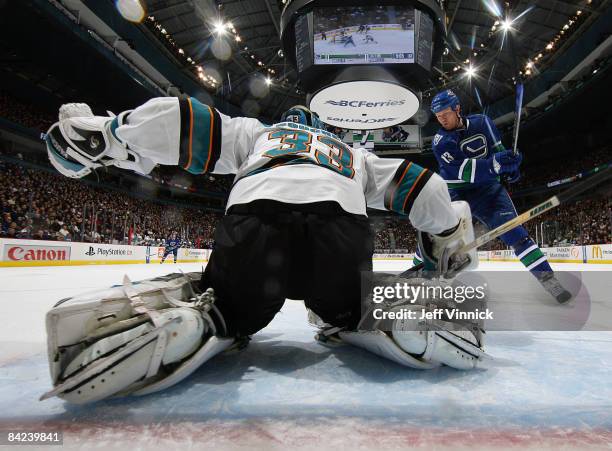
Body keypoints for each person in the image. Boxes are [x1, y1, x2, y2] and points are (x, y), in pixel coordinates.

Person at [42, 99, 486, 403]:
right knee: (348, 305)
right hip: (340, 230)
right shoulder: (353, 154)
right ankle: (388, 315)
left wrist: (113, 134)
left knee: (230, 306)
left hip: (257, 220)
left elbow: (188, 122)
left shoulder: (258, 134)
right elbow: (424, 186)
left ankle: (201, 319)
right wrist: (446, 235)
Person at [425, 89, 571, 303]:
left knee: (517, 235)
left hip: (488, 191)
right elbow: (465, 172)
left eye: (445, 113)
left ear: (457, 108)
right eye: (437, 116)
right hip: (455, 194)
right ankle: (421, 278)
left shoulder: (483, 123)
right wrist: (496, 166)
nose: (441, 119)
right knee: (437, 240)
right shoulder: (440, 141)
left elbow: (498, 150)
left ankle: (550, 281)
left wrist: (511, 166)